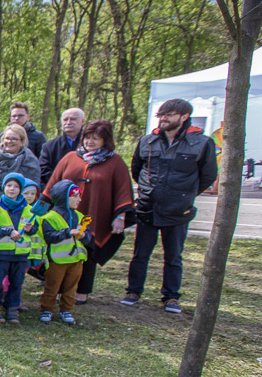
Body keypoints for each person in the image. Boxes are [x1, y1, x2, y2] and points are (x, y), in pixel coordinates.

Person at [122, 99, 217, 314]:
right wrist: (148, 190)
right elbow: (136, 169)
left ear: (184, 116)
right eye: (161, 115)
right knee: (140, 254)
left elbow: (208, 175)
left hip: (178, 211)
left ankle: (171, 296)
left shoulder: (201, 143)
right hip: (148, 207)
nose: (163, 119)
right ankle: (133, 291)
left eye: (169, 115)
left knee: (173, 255)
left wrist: (185, 195)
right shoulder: (147, 141)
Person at [43, 119, 134, 304]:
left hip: (94, 215)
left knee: (87, 250)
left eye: (96, 139)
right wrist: (40, 208)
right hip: (64, 216)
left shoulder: (115, 162)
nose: (90, 142)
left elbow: (123, 190)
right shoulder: (70, 157)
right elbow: (52, 185)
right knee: (60, 247)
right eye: (87, 137)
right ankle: (60, 289)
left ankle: (82, 291)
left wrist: (120, 216)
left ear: (105, 141)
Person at [40, 180, 93, 325]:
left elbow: (89, 236)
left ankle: (67, 309)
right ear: (64, 197)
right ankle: (47, 309)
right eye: (75, 196)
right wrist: (67, 232)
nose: (79, 200)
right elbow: (49, 236)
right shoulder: (50, 217)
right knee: (52, 285)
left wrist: (84, 236)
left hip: (76, 259)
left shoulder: (81, 216)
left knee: (72, 286)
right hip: (56, 260)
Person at [0, 172, 36, 324]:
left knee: (17, 281)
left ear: (21, 189)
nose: (12, 189)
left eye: (16, 186)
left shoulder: (29, 210)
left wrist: (30, 229)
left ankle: (12, 307)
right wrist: (8, 231)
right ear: (4, 187)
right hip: (1, 253)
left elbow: (35, 230)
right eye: (9, 185)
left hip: (20, 254)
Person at [0, 124, 41, 203]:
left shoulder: (30, 160)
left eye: (14, 139)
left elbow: (32, 188)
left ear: (22, 141)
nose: (10, 141)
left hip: (18, 206)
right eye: (7, 138)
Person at [38, 107, 85, 184]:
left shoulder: (91, 144)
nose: (68, 122)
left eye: (73, 119)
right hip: (57, 190)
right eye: (65, 120)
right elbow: (44, 170)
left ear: (82, 121)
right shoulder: (49, 146)